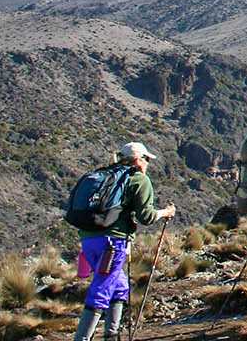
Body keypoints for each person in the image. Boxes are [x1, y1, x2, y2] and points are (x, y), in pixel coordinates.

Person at [72, 142, 177, 341]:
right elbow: (146, 217)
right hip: (113, 244)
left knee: (119, 286)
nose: (148, 163)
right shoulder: (138, 179)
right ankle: (82, 338)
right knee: (102, 289)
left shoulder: (105, 176)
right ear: (138, 160)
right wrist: (166, 212)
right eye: (146, 159)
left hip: (88, 241)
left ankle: (112, 336)